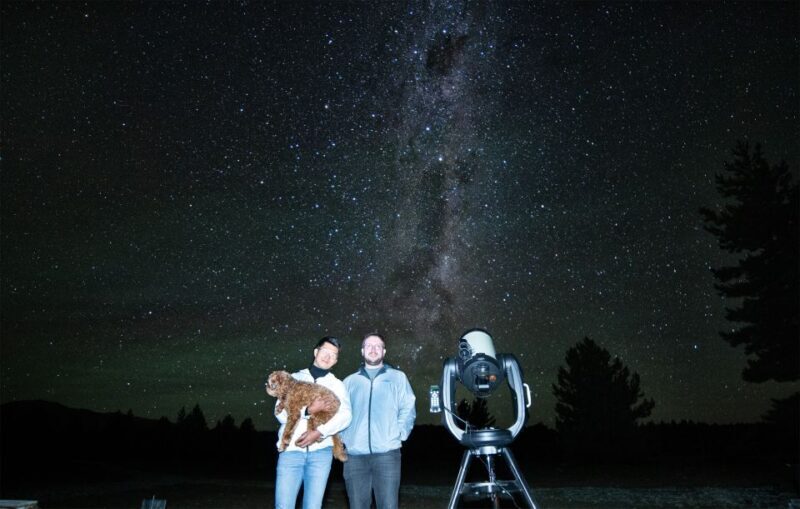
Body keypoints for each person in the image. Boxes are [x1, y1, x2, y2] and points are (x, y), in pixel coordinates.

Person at [272, 336, 351, 509]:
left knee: (313, 506)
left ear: (336, 360)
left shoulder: (337, 385)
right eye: (325, 351)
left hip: (320, 454)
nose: (328, 356)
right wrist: (307, 411)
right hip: (291, 451)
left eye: (333, 354)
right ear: (316, 352)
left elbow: (346, 415)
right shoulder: (292, 378)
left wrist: (320, 432)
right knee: (283, 505)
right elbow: (279, 413)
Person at [341, 332, 416, 509]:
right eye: (369, 345)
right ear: (362, 351)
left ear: (384, 351)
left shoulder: (398, 377)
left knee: (388, 505)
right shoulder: (349, 381)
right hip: (354, 456)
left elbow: (408, 407)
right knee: (357, 505)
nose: (373, 349)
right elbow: (340, 413)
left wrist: (398, 433)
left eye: (378, 346)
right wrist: (343, 439)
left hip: (387, 454)